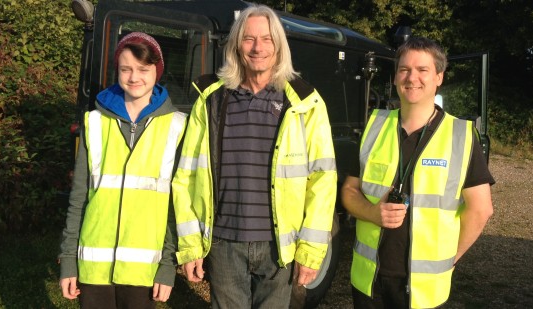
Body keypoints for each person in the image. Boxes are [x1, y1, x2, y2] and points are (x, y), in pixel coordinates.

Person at [172, 4, 337, 308]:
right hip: (223, 244)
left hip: (280, 250)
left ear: (279, 46)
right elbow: (185, 177)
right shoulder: (210, 99)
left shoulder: (305, 103)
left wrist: (311, 252)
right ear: (236, 45)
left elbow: (323, 182)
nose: (258, 47)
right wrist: (191, 246)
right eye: (248, 39)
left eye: (266, 39)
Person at [341, 37, 494, 309]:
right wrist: (372, 213)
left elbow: (481, 209)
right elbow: (350, 191)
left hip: (424, 291)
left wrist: (452, 257)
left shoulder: (460, 135)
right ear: (396, 77)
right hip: (369, 283)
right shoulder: (374, 127)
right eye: (404, 70)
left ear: (438, 77)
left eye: (422, 70)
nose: (412, 78)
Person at [58, 32, 187, 308]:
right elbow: (78, 199)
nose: (134, 77)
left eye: (143, 69)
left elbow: (177, 207)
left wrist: (167, 264)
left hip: (143, 272)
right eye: (126, 68)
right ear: (117, 70)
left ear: (157, 71)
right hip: (93, 268)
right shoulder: (93, 122)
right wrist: (68, 260)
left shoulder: (177, 126)